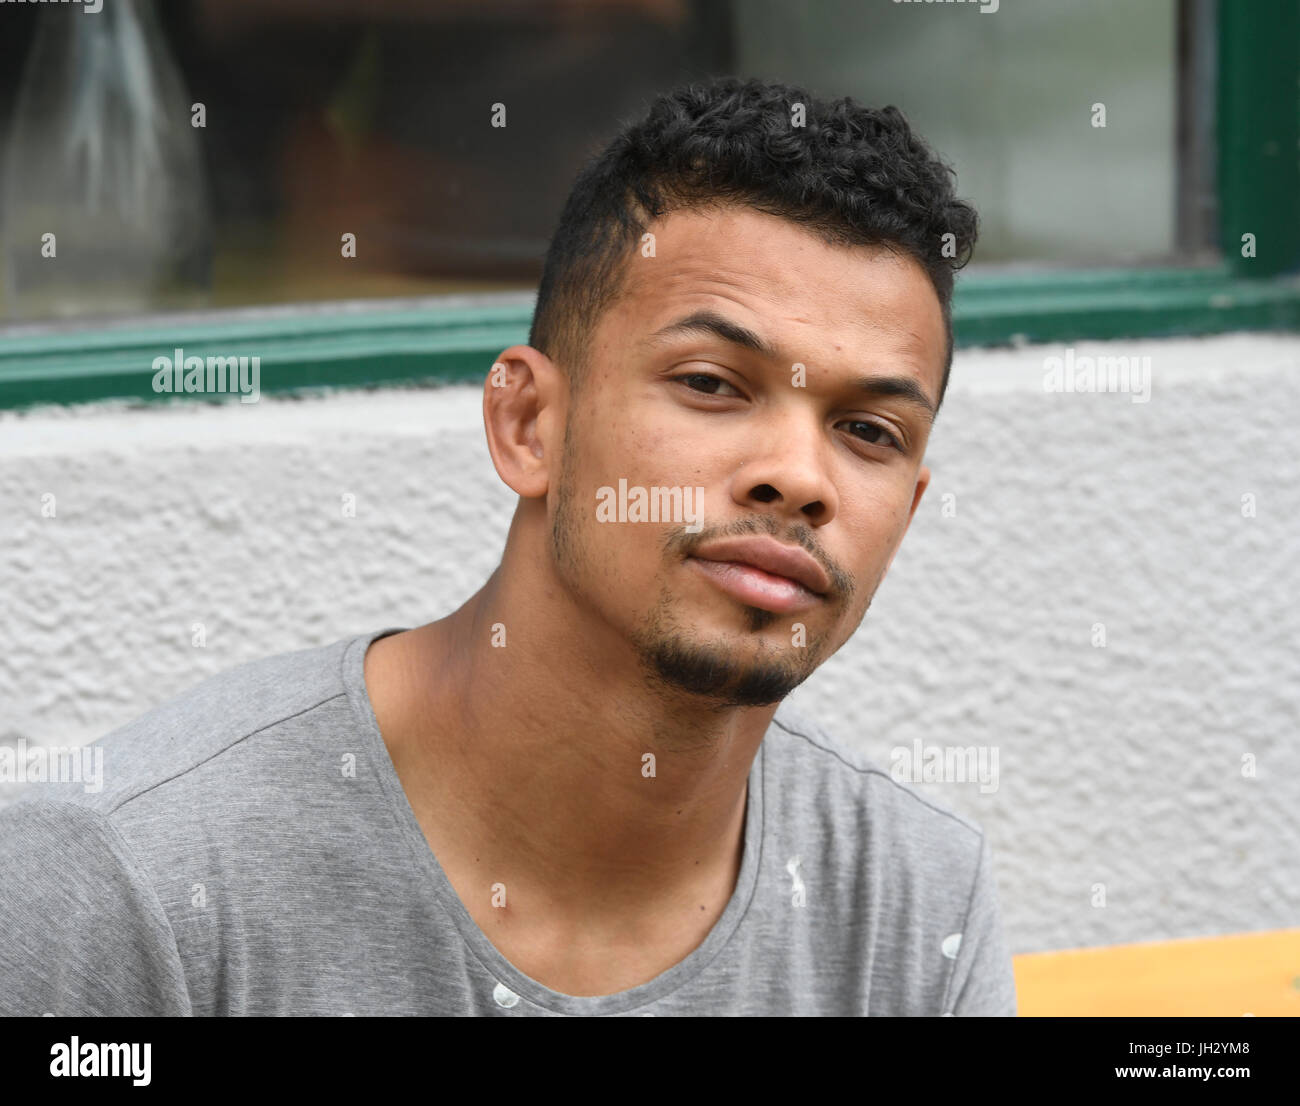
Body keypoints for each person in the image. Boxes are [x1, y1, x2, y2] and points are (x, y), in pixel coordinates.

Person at [0, 75, 1016, 1016]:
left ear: (910, 507)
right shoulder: (128, 874)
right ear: (528, 424)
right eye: (711, 382)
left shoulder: (912, 902)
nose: (798, 475)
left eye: (868, 431)